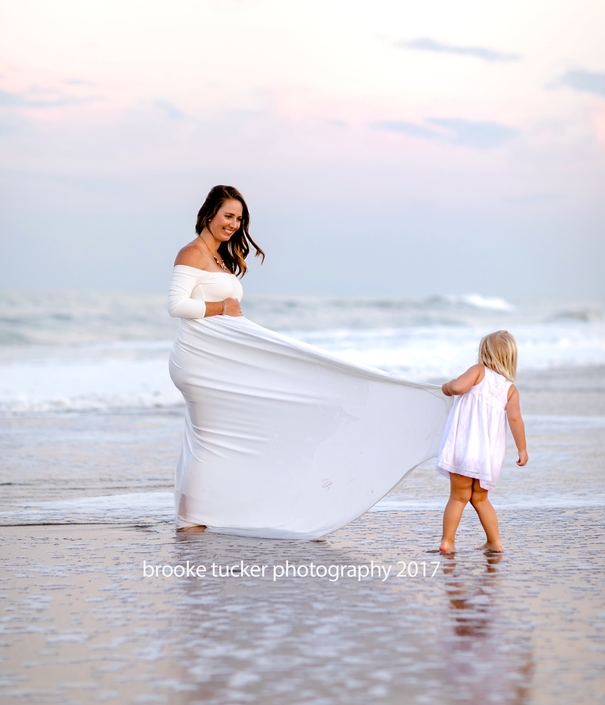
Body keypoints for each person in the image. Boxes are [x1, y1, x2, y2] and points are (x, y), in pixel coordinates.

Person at [167, 184, 451, 540]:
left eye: (239, 219)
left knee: (220, 438)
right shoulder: (191, 253)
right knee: (211, 439)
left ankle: (211, 510)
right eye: (228, 216)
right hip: (200, 362)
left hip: (221, 360)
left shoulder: (222, 258)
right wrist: (221, 308)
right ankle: (190, 517)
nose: (234, 225)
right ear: (209, 214)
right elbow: (177, 306)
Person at [436, 330, 528, 554]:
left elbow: (458, 388)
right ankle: (495, 542)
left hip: (463, 449)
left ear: (484, 353)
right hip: (486, 456)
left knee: (458, 497)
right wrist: (522, 449)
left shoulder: (478, 371)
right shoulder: (509, 389)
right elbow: (515, 419)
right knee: (480, 498)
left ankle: (448, 541)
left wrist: (447, 387)